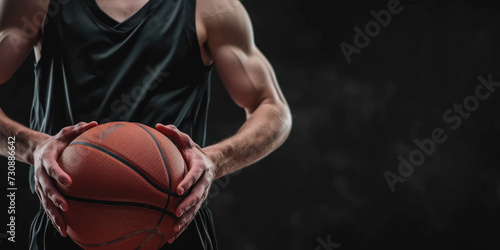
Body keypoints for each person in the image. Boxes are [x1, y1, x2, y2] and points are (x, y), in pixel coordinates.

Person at [0, 0, 292, 249]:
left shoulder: (210, 7)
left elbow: (273, 108)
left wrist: (215, 159)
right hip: (66, 221)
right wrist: (30, 147)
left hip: (175, 224)